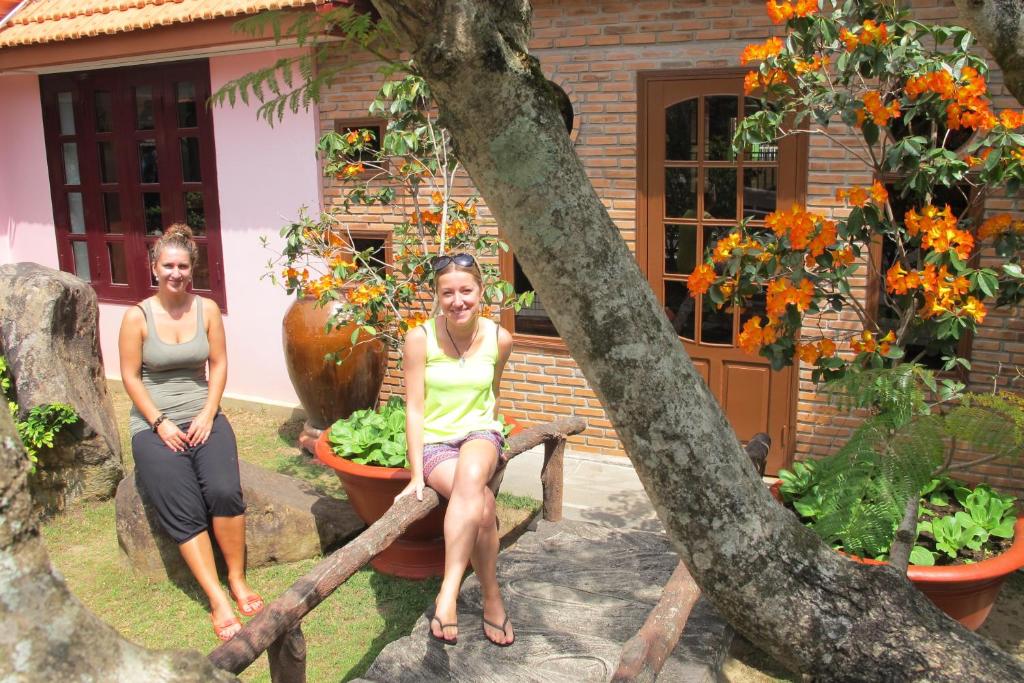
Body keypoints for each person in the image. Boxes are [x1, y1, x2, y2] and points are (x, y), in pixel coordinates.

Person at [118, 224, 262, 642]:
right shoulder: (137, 317)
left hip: (203, 414)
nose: (175, 273)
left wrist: (208, 412)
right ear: (154, 268)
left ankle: (236, 578)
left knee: (223, 490)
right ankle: (216, 596)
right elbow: (130, 377)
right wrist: (160, 423)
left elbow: (218, 365)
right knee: (183, 505)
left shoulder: (208, 310)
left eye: (182, 265)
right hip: (152, 422)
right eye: (168, 265)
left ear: (191, 269)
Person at [396, 252, 515, 647]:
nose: (458, 300)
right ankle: (491, 595)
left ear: (481, 292)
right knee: (481, 506)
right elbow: (414, 407)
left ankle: (447, 593)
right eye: (448, 293)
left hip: (481, 433)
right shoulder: (419, 339)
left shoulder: (500, 339)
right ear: (437, 296)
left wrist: (494, 433)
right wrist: (416, 473)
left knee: (470, 476)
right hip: (435, 444)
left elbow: (493, 394)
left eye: (466, 290)